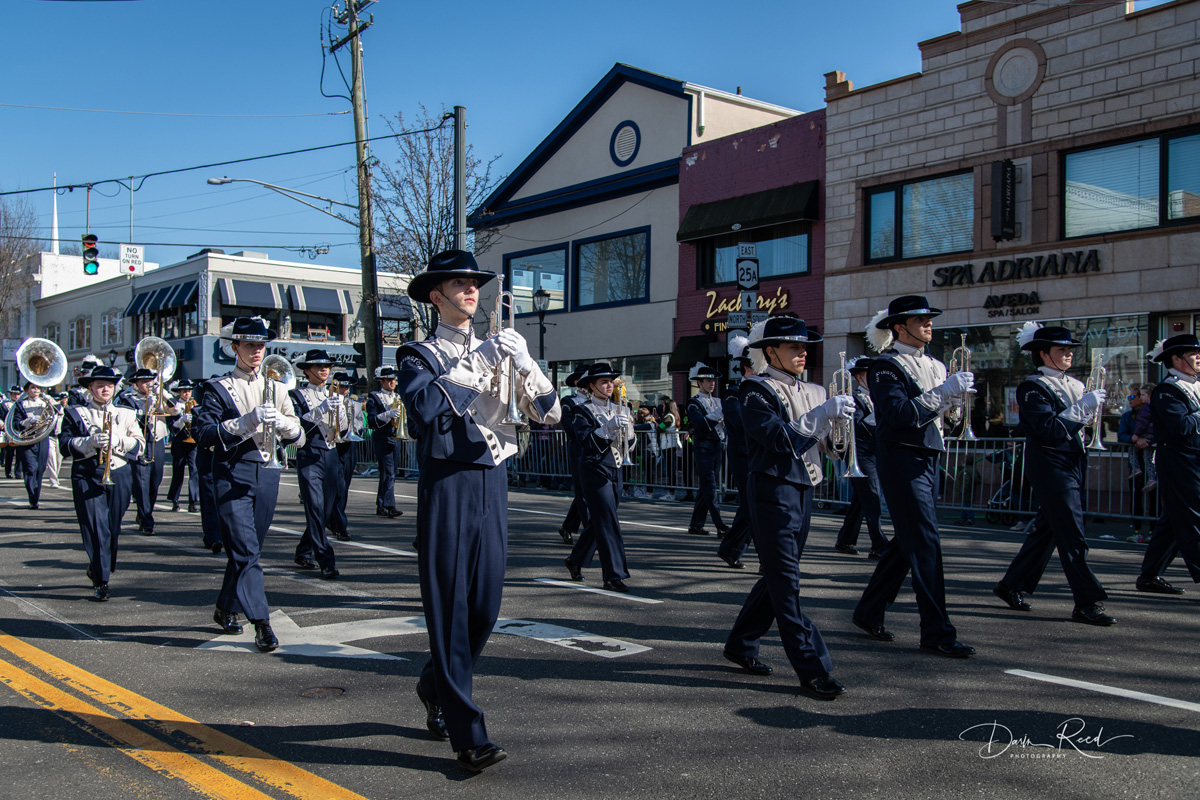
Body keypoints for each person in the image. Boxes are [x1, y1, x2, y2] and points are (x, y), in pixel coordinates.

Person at [397, 250, 561, 772]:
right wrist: (483, 358)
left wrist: (527, 362)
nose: (472, 290)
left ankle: (433, 684)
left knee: (485, 607)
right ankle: (469, 734)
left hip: (493, 476)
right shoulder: (417, 353)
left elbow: (550, 415)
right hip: (447, 482)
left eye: (475, 283)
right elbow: (424, 411)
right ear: (435, 295)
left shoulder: (500, 345)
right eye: (459, 283)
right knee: (449, 608)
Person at [723, 316, 852, 700]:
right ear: (771, 351)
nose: (802, 352)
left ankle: (740, 643)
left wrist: (847, 425)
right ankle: (812, 667)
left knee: (780, 576)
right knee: (786, 581)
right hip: (771, 489)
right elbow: (779, 440)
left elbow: (832, 448)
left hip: (804, 487)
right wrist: (824, 414)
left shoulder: (812, 390)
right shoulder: (753, 391)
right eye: (793, 347)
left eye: (803, 346)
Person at [852, 295, 976, 658]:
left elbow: (941, 419)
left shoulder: (937, 364)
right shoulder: (885, 367)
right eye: (920, 321)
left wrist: (955, 403)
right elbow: (900, 414)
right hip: (901, 457)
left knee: (909, 540)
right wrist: (944, 393)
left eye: (929, 320)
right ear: (898, 327)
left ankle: (868, 610)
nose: (929, 325)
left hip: (928, 455)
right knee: (925, 541)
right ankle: (937, 631)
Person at [991, 323, 1114, 626]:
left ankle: (1011, 584)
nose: (1069, 353)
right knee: (1072, 532)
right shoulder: (1033, 387)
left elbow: (1075, 427)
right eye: (1062, 349)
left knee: (1048, 530)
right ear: (1043, 354)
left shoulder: (1072, 383)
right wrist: (1083, 406)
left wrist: (1087, 410)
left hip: (1072, 461)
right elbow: (1049, 430)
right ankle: (1086, 600)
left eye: (1070, 349)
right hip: (1049, 464)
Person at [195, 316, 302, 652]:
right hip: (231, 473)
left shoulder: (280, 388)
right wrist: (244, 422)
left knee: (247, 551)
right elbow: (204, 434)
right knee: (247, 552)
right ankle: (262, 622)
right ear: (235, 347)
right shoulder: (217, 387)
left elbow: (298, 437)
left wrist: (284, 422)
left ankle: (226, 607)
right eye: (249, 345)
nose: (257, 351)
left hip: (267, 474)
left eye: (260, 345)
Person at [58, 365, 144, 600]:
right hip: (87, 475)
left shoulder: (127, 413)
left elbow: (140, 445)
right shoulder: (76, 413)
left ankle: (99, 565)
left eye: (109, 384)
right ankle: (102, 579)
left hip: (119, 473)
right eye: (99, 385)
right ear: (90, 388)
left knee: (112, 529)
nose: (105, 388)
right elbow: (64, 445)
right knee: (97, 528)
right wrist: (89, 442)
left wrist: (117, 441)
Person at [563, 363, 635, 591]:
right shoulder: (582, 410)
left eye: (611, 381)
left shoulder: (622, 407)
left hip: (615, 467)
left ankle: (576, 559)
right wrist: (609, 427)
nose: (609, 385)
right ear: (591, 386)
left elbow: (629, 446)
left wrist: (630, 433)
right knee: (608, 521)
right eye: (603, 382)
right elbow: (586, 442)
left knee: (602, 519)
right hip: (594, 468)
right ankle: (613, 576)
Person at [1141, 335, 1200, 594]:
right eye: (1193, 353)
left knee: (1173, 522)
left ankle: (1149, 576)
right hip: (1180, 460)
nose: (1199, 358)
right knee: (1192, 521)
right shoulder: (1167, 390)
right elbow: (1180, 427)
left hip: (1193, 459)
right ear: (1176, 358)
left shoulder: (1194, 385)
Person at [289, 349, 349, 579]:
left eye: (327, 366)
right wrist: (321, 409)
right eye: (318, 366)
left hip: (331, 453)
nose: (324, 369)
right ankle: (326, 559)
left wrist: (340, 409)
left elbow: (341, 429)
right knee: (315, 508)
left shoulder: (333, 394)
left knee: (325, 510)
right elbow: (297, 424)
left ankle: (303, 550)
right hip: (310, 454)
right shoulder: (297, 395)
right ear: (307, 370)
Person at [834, 356, 889, 559]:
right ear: (858, 377)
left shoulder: (877, 397)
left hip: (875, 453)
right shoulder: (855, 399)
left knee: (861, 500)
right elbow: (855, 427)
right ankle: (878, 544)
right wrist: (877, 415)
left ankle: (845, 540)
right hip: (861, 454)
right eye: (869, 375)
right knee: (872, 498)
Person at [117, 368, 174, 535]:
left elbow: (175, 409)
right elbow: (123, 417)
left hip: (156, 441)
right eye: (144, 382)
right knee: (141, 482)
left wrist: (162, 393)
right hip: (139, 441)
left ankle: (143, 514)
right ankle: (147, 520)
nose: (148, 384)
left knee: (155, 481)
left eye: (150, 381)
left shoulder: (159, 396)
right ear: (135, 384)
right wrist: (144, 411)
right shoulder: (127, 398)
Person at [717, 336, 755, 570]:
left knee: (754, 505)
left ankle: (730, 548)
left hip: (762, 454)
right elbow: (739, 421)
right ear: (745, 368)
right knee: (753, 505)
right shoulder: (733, 393)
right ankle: (735, 549)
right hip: (743, 455)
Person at [686, 362, 728, 537]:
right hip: (703, 447)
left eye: (713, 381)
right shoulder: (694, 403)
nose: (712, 384)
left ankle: (696, 524)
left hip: (718, 446)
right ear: (699, 383)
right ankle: (720, 525)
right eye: (707, 381)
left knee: (706, 487)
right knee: (710, 486)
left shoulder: (718, 401)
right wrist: (720, 413)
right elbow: (700, 425)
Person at [364, 366, 407, 519]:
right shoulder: (375, 397)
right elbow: (371, 420)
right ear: (382, 381)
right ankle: (389, 505)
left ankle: (382, 504)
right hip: (382, 437)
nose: (392, 382)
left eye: (394, 379)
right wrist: (387, 414)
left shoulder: (399, 396)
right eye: (388, 380)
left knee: (391, 472)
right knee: (388, 471)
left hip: (395, 437)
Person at [10, 380, 60, 508]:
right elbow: (15, 423)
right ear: (27, 390)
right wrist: (26, 422)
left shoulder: (46, 403)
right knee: (30, 468)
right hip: (27, 440)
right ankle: (32, 497)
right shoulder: (21, 404)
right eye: (33, 388)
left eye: (38, 387)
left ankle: (35, 496)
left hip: (42, 438)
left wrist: (52, 402)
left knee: (41, 468)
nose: (36, 390)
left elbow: (58, 413)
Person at [555, 365, 590, 545]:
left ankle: (568, 527)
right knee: (583, 493)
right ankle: (592, 532)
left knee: (587, 492)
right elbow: (569, 428)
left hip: (596, 450)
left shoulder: (598, 401)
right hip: (579, 449)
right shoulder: (570, 401)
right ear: (578, 382)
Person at [329, 372, 362, 541]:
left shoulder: (354, 404)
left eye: (347, 387)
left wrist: (352, 428)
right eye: (342, 386)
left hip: (349, 446)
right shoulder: (329, 402)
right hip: (334, 446)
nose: (345, 390)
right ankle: (339, 525)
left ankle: (334, 519)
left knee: (345, 487)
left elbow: (359, 420)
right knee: (338, 488)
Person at [192, 380, 223, 555]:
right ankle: (212, 537)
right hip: (206, 459)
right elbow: (196, 434)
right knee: (209, 499)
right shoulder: (197, 411)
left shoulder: (225, 411)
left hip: (223, 459)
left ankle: (224, 534)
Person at [166, 379, 199, 513]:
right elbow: (172, 427)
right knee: (178, 471)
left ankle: (193, 501)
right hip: (179, 441)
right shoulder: (173, 406)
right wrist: (182, 420)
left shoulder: (195, 405)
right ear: (179, 392)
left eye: (189, 391)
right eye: (184, 391)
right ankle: (175, 500)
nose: (187, 393)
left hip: (193, 443)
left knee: (194, 471)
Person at [3, 385, 22, 479]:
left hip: (19, 431)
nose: (16, 396)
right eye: (14, 394)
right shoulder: (5, 404)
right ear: (10, 394)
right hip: (9, 431)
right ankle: (8, 472)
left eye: (18, 394)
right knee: (9, 453)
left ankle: (18, 472)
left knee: (20, 453)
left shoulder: (23, 404)